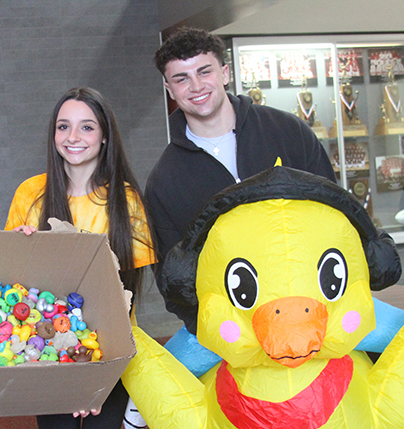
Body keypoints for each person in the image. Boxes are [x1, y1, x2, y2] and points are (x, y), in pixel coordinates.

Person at [4, 87, 155, 429]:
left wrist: (92, 377)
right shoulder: (31, 194)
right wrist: (22, 254)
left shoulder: (125, 201)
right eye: (63, 126)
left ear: (105, 136)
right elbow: (16, 289)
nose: (74, 136)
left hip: (107, 354)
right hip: (48, 356)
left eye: (87, 126)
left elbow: (127, 292)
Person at [145, 27, 338, 267]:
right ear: (169, 89)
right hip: (228, 302)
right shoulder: (164, 180)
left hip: (308, 290)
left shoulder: (287, 131)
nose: (196, 86)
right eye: (182, 79)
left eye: (204, 72)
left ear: (225, 74)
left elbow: (334, 211)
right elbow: (173, 274)